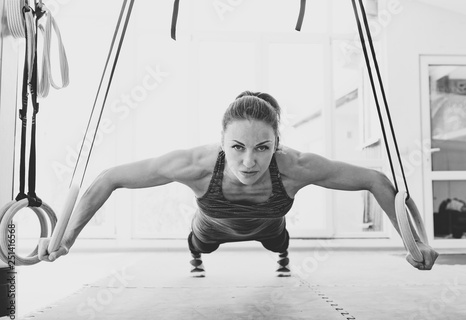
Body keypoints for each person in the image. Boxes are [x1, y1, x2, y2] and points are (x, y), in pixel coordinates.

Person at [38, 91, 439, 275]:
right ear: (222, 141)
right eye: (237, 147)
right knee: (200, 244)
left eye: (263, 148)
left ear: (277, 144)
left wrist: (414, 243)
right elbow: (108, 179)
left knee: (278, 242)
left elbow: (377, 180)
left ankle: (281, 254)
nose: (249, 161)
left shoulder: (296, 166)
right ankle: (196, 253)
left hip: (271, 227)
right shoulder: (195, 164)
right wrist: (67, 238)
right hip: (209, 227)